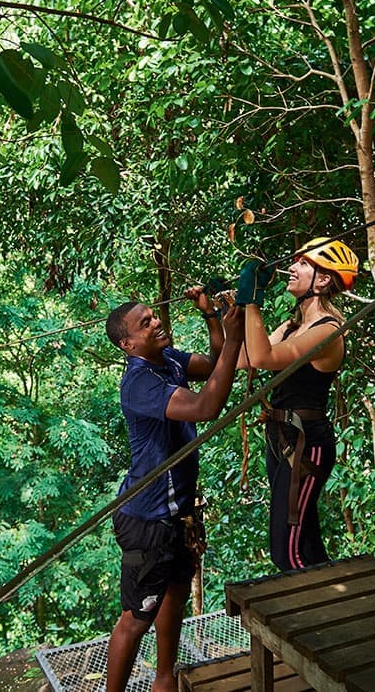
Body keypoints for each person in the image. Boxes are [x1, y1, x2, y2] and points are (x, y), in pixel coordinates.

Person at [104, 289, 244, 692]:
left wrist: (212, 319)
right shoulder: (139, 383)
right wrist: (234, 338)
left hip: (179, 511)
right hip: (147, 519)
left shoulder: (167, 360)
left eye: (153, 315)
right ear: (127, 345)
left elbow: (216, 365)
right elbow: (206, 407)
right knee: (137, 616)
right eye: (144, 323)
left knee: (177, 591)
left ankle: (164, 678)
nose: (156, 322)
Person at [234, 237, 359, 572]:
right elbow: (245, 359)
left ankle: (312, 620)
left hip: (306, 443)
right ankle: (332, 609)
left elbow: (265, 356)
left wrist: (253, 304)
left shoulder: (327, 330)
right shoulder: (293, 325)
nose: (292, 267)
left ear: (322, 279)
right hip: (281, 437)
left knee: (287, 551)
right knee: (304, 543)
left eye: (303, 263)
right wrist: (222, 312)